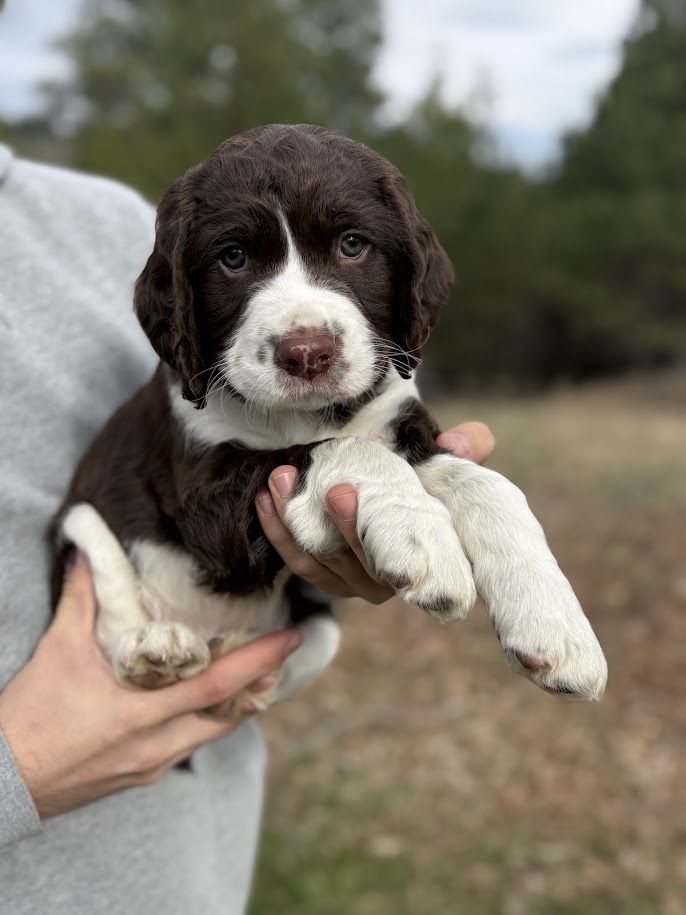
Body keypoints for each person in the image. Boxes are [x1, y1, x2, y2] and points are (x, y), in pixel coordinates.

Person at [0, 143, 494, 914]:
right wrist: (19, 770)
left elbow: (235, 478)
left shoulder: (108, 218)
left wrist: (347, 544)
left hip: (195, 872)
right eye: (236, 257)